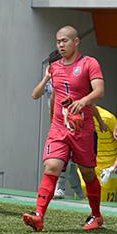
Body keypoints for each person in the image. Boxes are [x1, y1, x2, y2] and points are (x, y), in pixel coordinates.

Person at [22, 25, 105, 232]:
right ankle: (39, 216)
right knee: (51, 167)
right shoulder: (54, 68)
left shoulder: (89, 63)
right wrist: (46, 78)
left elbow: (99, 91)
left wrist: (84, 101)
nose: (61, 44)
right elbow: (40, 95)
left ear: (76, 42)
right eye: (58, 41)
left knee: (87, 173)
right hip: (59, 128)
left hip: (82, 129)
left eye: (65, 41)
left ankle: (96, 215)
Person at [32, 51, 84, 199]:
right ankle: (79, 193)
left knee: (68, 160)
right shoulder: (50, 82)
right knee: (63, 159)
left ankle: (60, 188)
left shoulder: (72, 80)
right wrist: (46, 77)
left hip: (72, 124)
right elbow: (35, 95)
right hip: (57, 124)